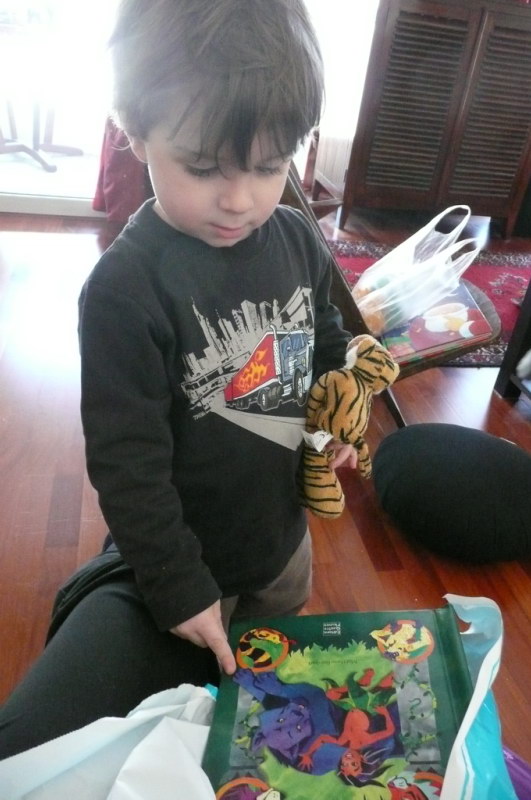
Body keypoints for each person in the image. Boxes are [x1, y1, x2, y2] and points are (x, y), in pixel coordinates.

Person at [0, 0, 357, 758]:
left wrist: (337, 409)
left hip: (281, 539)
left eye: (270, 166)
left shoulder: (295, 236)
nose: (240, 199)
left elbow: (325, 335)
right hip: (181, 558)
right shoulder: (125, 290)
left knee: (265, 693)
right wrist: (178, 584)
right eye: (202, 168)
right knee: (183, 715)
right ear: (134, 130)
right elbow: (127, 464)